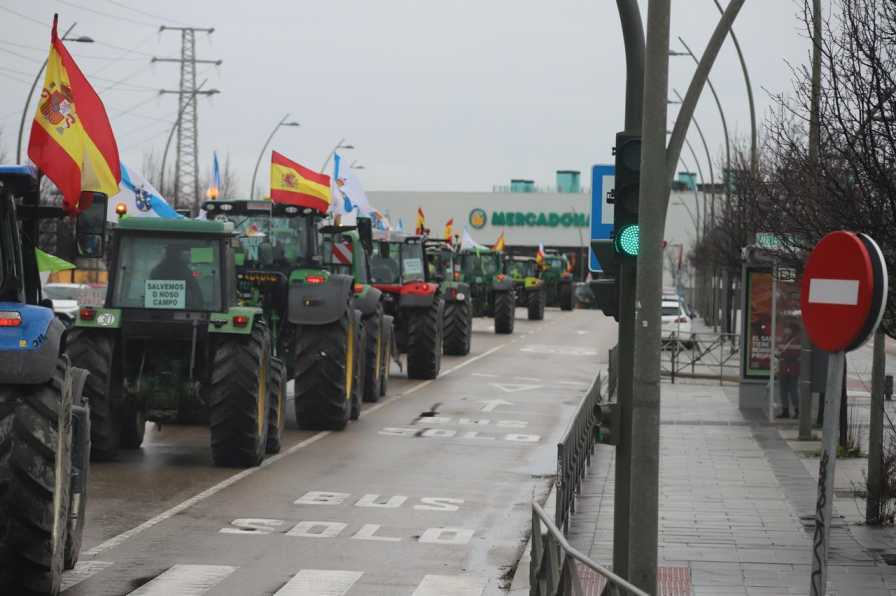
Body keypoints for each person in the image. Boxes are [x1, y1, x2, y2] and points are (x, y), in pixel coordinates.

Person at [149, 244, 205, 310]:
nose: (189, 257)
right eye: (187, 254)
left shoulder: (156, 270)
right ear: (179, 254)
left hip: (158, 313)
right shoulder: (185, 271)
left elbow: (152, 295)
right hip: (184, 312)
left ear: (166, 254)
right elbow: (196, 295)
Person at [777, 322, 801, 418]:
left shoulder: (796, 339)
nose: (785, 330)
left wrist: (783, 353)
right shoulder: (784, 338)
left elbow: (795, 353)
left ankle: (797, 410)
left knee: (793, 390)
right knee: (783, 390)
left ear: (792, 330)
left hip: (792, 368)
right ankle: (785, 410)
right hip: (783, 367)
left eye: (787, 328)